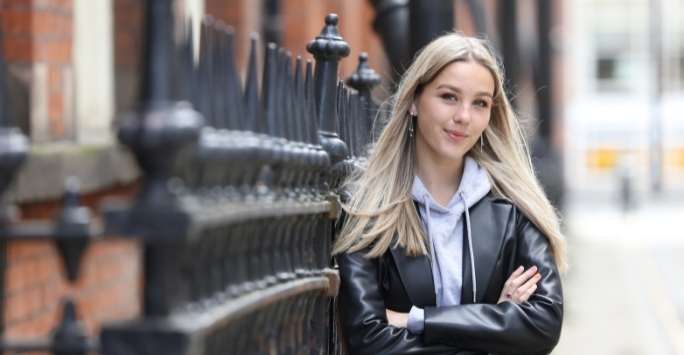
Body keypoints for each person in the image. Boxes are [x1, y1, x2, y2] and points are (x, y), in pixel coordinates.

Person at [333, 33, 566, 355]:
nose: (464, 117)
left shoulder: (515, 208)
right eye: (449, 97)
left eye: (480, 103)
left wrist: (416, 320)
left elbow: (542, 325)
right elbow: (370, 342)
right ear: (414, 100)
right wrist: (494, 325)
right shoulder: (367, 210)